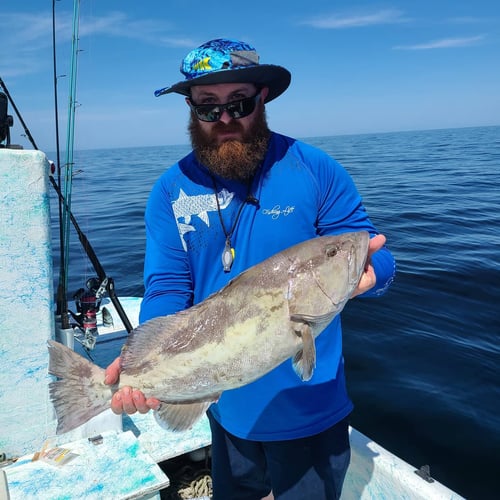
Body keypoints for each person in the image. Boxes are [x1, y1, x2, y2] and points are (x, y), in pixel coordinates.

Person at [105, 38, 396, 500]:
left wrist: (368, 275)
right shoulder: (168, 190)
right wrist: (149, 355)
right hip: (221, 404)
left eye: (238, 103)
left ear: (262, 99)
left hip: (310, 407)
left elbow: (373, 250)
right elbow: (166, 284)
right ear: (190, 109)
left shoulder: (316, 170)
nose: (224, 119)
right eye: (207, 108)